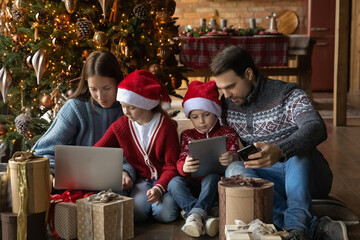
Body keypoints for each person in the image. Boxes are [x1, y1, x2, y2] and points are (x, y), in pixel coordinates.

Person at [209, 45, 348, 240]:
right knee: (234, 171)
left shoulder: (288, 93)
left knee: (298, 153)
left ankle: (297, 228)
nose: (226, 95)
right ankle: (305, 228)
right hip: (269, 179)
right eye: (221, 89)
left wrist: (281, 150)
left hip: (308, 175)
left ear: (248, 74)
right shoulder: (226, 105)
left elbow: (316, 126)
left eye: (230, 86)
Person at [32, 51, 135, 192]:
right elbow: (44, 150)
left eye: (107, 88)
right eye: (93, 89)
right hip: (74, 187)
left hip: (116, 186)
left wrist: (126, 171)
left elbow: (140, 153)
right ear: (86, 84)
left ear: (117, 81)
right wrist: (50, 172)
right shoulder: (75, 108)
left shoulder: (131, 110)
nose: (101, 96)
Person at [94, 70, 180, 223]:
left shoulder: (166, 127)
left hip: (165, 181)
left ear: (146, 104)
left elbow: (172, 166)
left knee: (165, 215)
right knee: (136, 214)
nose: (125, 112)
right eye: (122, 106)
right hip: (141, 181)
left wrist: (159, 188)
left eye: (131, 107)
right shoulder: (121, 126)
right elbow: (98, 151)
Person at [167, 80, 240, 237]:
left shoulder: (228, 132)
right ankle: (203, 216)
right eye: (195, 116)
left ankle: (195, 215)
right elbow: (181, 160)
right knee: (173, 183)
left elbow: (237, 157)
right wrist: (184, 167)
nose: (201, 121)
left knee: (211, 177)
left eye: (206, 115)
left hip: (215, 185)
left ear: (215, 112)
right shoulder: (187, 135)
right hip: (193, 185)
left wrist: (232, 158)